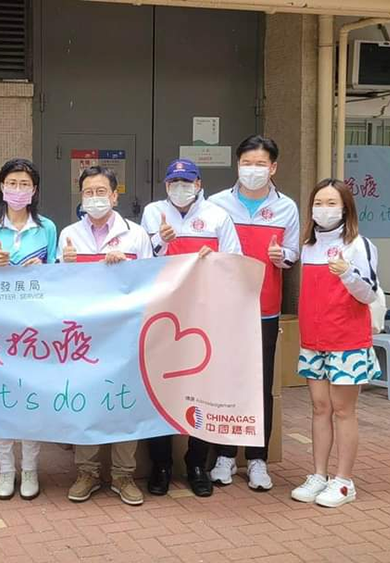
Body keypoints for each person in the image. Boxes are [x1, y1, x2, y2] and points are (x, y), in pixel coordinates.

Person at [139, 158, 242, 498]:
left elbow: (235, 261)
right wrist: (160, 241)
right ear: (166, 185)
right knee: (160, 389)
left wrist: (214, 260)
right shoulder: (153, 213)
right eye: (174, 182)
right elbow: (140, 264)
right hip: (162, 314)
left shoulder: (217, 216)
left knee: (202, 389)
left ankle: (197, 462)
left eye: (187, 182)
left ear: (198, 184)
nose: (180, 188)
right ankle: (161, 464)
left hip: (203, 315)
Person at [206, 135, 299, 492]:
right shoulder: (217, 204)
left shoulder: (286, 208)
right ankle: (225, 455)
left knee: (260, 384)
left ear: (273, 167)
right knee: (225, 381)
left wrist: (282, 256)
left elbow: (293, 253)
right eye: (247, 163)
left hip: (264, 308)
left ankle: (258, 458)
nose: (253, 170)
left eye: (261, 164)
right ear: (237, 165)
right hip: (224, 308)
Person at [58, 165, 154, 506]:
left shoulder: (135, 235)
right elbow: (58, 288)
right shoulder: (68, 235)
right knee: (86, 401)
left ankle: (123, 475)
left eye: (101, 192)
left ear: (115, 196)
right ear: (81, 197)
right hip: (84, 333)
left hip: (124, 332)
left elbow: (150, 282)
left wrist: (126, 267)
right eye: (88, 192)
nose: (95, 198)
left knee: (124, 401)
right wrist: (67, 265)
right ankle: (87, 472)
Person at [291, 179, 380, 508]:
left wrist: (347, 273)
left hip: (347, 341)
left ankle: (344, 481)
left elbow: (369, 294)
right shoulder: (308, 245)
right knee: (320, 408)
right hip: (314, 340)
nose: (323, 209)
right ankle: (319, 474)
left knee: (343, 410)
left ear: (345, 208)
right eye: (318, 203)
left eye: (331, 203)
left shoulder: (359, 245)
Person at [0, 158, 58, 501]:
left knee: (30, 399)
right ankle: (6, 470)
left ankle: (30, 470)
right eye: (12, 182)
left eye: (25, 184)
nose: (18, 189)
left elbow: (56, 275)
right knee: (2, 398)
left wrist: (42, 269)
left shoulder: (47, 227)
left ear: (34, 190)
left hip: (34, 325)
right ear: (2, 186)